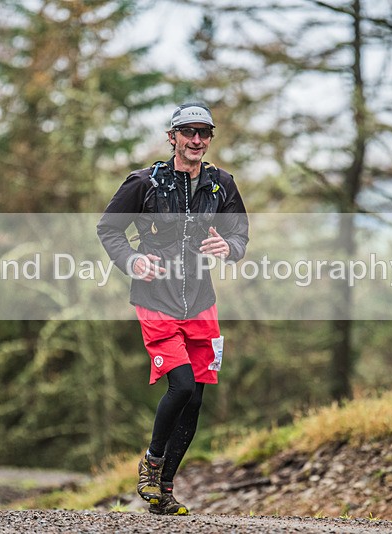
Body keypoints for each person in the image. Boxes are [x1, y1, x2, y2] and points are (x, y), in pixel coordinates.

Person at [96, 102, 249, 515]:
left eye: (204, 133)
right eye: (188, 132)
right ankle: (151, 463)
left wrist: (229, 247)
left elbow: (240, 234)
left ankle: (163, 490)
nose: (196, 139)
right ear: (172, 137)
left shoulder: (221, 184)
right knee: (180, 386)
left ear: (210, 138)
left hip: (201, 302)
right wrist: (131, 260)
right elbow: (108, 229)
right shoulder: (144, 183)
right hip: (155, 299)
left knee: (195, 400)